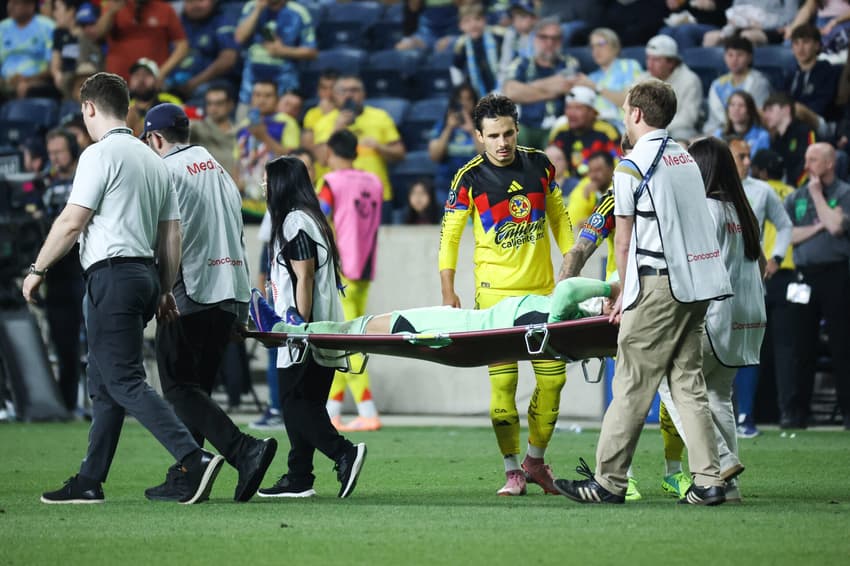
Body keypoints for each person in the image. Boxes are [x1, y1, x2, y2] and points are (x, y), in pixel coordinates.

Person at [22, 72, 223, 504]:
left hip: (111, 277)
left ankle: (193, 457)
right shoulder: (153, 159)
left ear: (89, 108)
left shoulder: (98, 154)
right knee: (104, 383)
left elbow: (72, 221)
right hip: (146, 277)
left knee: (125, 379)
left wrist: (38, 267)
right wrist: (164, 289)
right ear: (127, 107)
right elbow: (172, 235)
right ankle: (89, 479)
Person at [554, 79, 732, 506]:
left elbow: (624, 240)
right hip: (696, 286)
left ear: (635, 113)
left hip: (657, 284)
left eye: (625, 108)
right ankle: (709, 480)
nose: (623, 114)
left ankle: (608, 482)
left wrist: (625, 294)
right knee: (688, 385)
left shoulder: (631, 166)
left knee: (632, 382)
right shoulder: (684, 157)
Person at [140, 103, 277, 502]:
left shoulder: (165, 172)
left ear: (156, 138)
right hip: (229, 291)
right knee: (196, 390)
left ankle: (243, 449)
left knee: (178, 387)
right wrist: (241, 308)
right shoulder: (218, 169)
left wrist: (161, 289)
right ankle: (188, 474)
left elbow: (167, 237)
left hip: (190, 291)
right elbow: (238, 236)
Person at [439, 93, 574, 496]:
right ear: (479, 136)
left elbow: (560, 219)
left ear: (517, 130)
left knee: (554, 381)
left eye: (508, 133)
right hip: (494, 298)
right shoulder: (468, 178)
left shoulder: (540, 165)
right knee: (503, 388)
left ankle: (535, 460)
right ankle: (512, 469)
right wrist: (448, 289)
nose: (503, 143)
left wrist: (571, 271)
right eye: (494, 136)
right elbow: (449, 236)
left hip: (543, 294)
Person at [657, 136, 767, 504]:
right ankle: (729, 488)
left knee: (671, 383)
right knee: (718, 395)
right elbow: (762, 266)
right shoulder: (742, 210)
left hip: (716, 315)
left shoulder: (705, 209)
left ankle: (720, 460)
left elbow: (693, 265)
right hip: (748, 318)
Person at [255, 155, 367, 499]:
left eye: (267, 181)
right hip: (319, 329)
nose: (263, 187)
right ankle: (299, 476)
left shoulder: (293, 221)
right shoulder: (311, 219)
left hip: (304, 332)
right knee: (307, 404)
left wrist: (298, 328)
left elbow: (304, 276)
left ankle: (343, 452)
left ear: (281, 185)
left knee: (294, 404)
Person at [252, 276, 615, 339]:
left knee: (358, 328)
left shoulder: (564, 314)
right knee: (360, 327)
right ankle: (298, 328)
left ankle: (288, 330)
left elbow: (568, 289)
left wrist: (611, 289)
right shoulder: (565, 316)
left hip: (457, 328)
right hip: (463, 322)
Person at [317, 130, 384, 432]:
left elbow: (318, 218)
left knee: (348, 343)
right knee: (347, 338)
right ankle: (332, 411)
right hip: (366, 267)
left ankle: (368, 411)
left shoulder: (331, 182)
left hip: (342, 269)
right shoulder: (374, 181)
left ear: (330, 152)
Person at [783, 142, 850, 430]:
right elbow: (788, 235)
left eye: (813, 159)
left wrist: (817, 196)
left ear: (829, 163)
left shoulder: (844, 193)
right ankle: (797, 412)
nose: (807, 164)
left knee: (842, 344)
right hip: (803, 276)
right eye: (806, 159)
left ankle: (847, 412)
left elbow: (837, 227)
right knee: (801, 345)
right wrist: (820, 225)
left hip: (836, 274)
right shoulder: (795, 197)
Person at [746, 148, 796, 435]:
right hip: (785, 272)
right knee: (784, 349)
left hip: (758, 276)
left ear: (761, 171)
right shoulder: (792, 192)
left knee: (752, 348)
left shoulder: (758, 190)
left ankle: (750, 413)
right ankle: (785, 412)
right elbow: (793, 228)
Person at [312, 74, 406, 220]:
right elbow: (322, 160)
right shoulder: (324, 123)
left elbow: (400, 153)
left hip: (376, 195)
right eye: (343, 91)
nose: (349, 95)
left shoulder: (380, 117)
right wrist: (337, 128)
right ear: (334, 95)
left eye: (354, 90)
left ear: (364, 94)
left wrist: (380, 147)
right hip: (338, 196)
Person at [42, 129, 85, 415]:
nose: (55, 158)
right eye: (51, 153)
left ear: (72, 149)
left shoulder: (86, 179)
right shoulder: (44, 186)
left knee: (95, 341)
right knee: (63, 342)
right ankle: (67, 405)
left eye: (59, 152)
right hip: (57, 272)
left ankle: (106, 402)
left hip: (83, 268)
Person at [502, 17, 576, 150]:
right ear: (535, 39)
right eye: (544, 37)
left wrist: (526, 89)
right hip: (525, 125)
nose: (550, 43)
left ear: (561, 41)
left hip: (557, 125)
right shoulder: (521, 64)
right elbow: (510, 92)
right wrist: (553, 92)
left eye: (555, 38)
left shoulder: (569, 63)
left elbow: (566, 85)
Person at [235, 78, 301, 222]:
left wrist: (263, 136)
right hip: (246, 200)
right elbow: (237, 162)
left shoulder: (286, 122)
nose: (262, 100)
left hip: (277, 200)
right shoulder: (243, 126)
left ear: (277, 99)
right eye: (257, 95)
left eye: (267, 96)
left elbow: (293, 161)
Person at [233, 0, 317, 111]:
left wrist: (284, 51)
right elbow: (239, 38)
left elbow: (312, 52)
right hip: (250, 90)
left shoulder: (299, 12)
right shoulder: (251, 6)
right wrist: (257, 10)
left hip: (284, 90)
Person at [93, 0, 188, 83]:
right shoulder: (115, 4)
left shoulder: (165, 9)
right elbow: (98, 34)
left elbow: (182, 46)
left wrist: (162, 73)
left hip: (151, 83)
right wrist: (111, 12)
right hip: (117, 81)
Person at [548, 86, 621, 193]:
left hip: (598, 188)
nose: (571, 113)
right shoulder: (559, 131)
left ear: (592, 112)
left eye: (578, 108)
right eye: (568, 107)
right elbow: (549, 163)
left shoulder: (606, 132)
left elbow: (618, 165)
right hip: (564, 188)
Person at [571, 27, 644, 129]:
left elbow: (631, 103)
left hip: (623, 127)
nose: (596, 50)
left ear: (615, 46)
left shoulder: (629, 66)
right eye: (592, 47)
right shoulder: (591, 77)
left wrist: (596, 87)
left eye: (601, 44)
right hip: (594, 127)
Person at [703, 35, 773, 136]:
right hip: (716, 132)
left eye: (740, 55)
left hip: (747, 133)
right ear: (724, 57)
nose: (734, 59)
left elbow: (758, 115)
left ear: (749, 57)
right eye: (730, 55)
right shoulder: (717, 84)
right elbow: (714, 119)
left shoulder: (759, 83)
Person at [169, 0, 239, 98]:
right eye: (190, 2)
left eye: (201, 1)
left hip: (211, 83)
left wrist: (195, 82)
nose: (195, 5)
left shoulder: (222, 20)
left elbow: (228, 59)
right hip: (176, 83)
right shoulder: (179, 21)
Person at [640, 34, 703, 141]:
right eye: (648, 58)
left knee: (681, 133)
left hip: (676, 130)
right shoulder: (643, 78)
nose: (649, 65)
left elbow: (687, 119)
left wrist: (655, 129)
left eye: (656, 60)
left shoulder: (690, 80)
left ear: (671, 63)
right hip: (647, 130)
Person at [428, 83, 481, 203]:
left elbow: (487, 155)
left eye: (468, 99)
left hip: (475, 183)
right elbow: (434, 156)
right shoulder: (442, 125)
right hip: (447, 183)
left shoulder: (482, 124)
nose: (464, 103)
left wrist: (472, 131)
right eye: (460, 99)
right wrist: (449, 128)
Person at [785, 23, 841, 137]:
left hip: (823, 122)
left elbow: (822, 106)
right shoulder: (790, 74)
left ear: (817, 45)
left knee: (796, 109)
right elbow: (781, 98)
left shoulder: (827, 71)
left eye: (806, 42)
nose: (800, 48)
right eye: (796, 43)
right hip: (792, 120)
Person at [0, 0, 55, 99]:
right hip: (4, 83)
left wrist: (27, 80)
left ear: (30, 6)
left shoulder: (47, 27)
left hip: (37, 83)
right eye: (9, 2)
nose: (10, 6)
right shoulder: (2, 27)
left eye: (16, 3)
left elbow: (53, 67)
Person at [449, 3, 506, 97]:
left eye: (477, 19)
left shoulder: (499, 35)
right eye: (467, 21)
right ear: (460, 26)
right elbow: (456, 68)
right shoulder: (462, 44)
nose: (473, 25)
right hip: (479, 91)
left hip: (504, 85)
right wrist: (460, 88)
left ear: (485, 20)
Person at [762, 92, 816, 187]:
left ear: (786, 109)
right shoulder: (776, 140)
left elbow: (812, 162)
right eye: (765, 111)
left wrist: (795, 186)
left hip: (805, 187)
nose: (766, 115)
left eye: (770, 110)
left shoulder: (804, 131)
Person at [189, 85, 238, 178]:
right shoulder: (197, 127)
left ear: (230, 105)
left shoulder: (239, 131)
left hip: (236, 183)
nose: (213, 108)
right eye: (209, 104)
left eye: (219, 104)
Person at [125, 58, 183, 136]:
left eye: (147, 75)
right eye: (136, 75)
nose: (141, 79)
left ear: (157, 81)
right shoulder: (125, 106)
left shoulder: (169, 102)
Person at [714, 90, 771, 156]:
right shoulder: (719, 135)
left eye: (741, 105)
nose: (736, 109)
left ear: (750, 111)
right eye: (732, 105)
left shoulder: (762, 136)